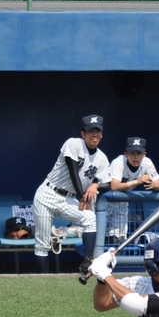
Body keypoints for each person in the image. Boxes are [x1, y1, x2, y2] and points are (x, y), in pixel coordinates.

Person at [32, 114, 109, 274]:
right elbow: (73, 172)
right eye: (91, 131)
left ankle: (88, 263)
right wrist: (83, 196)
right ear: (83, 133)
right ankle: (42, 280)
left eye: (98, 131)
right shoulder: (73, 143)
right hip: (48, 193)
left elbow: (109, 184)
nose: (94, 134)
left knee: (89, 219)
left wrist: (96, 185)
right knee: (43, 244)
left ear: (101, 134)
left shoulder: (102, 158)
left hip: (69, 198)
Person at [100, 137, 159, 244]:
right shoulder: (119, 162)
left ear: (144, 154)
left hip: (121, 202)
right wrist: (137, 182)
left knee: (118, 239)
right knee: (98, 235)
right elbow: (114, 186)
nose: (135, 157)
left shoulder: (147, 163)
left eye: (139, 153)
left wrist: (154, 184)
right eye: (132, 153)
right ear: (126, 154)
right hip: (103, 201)